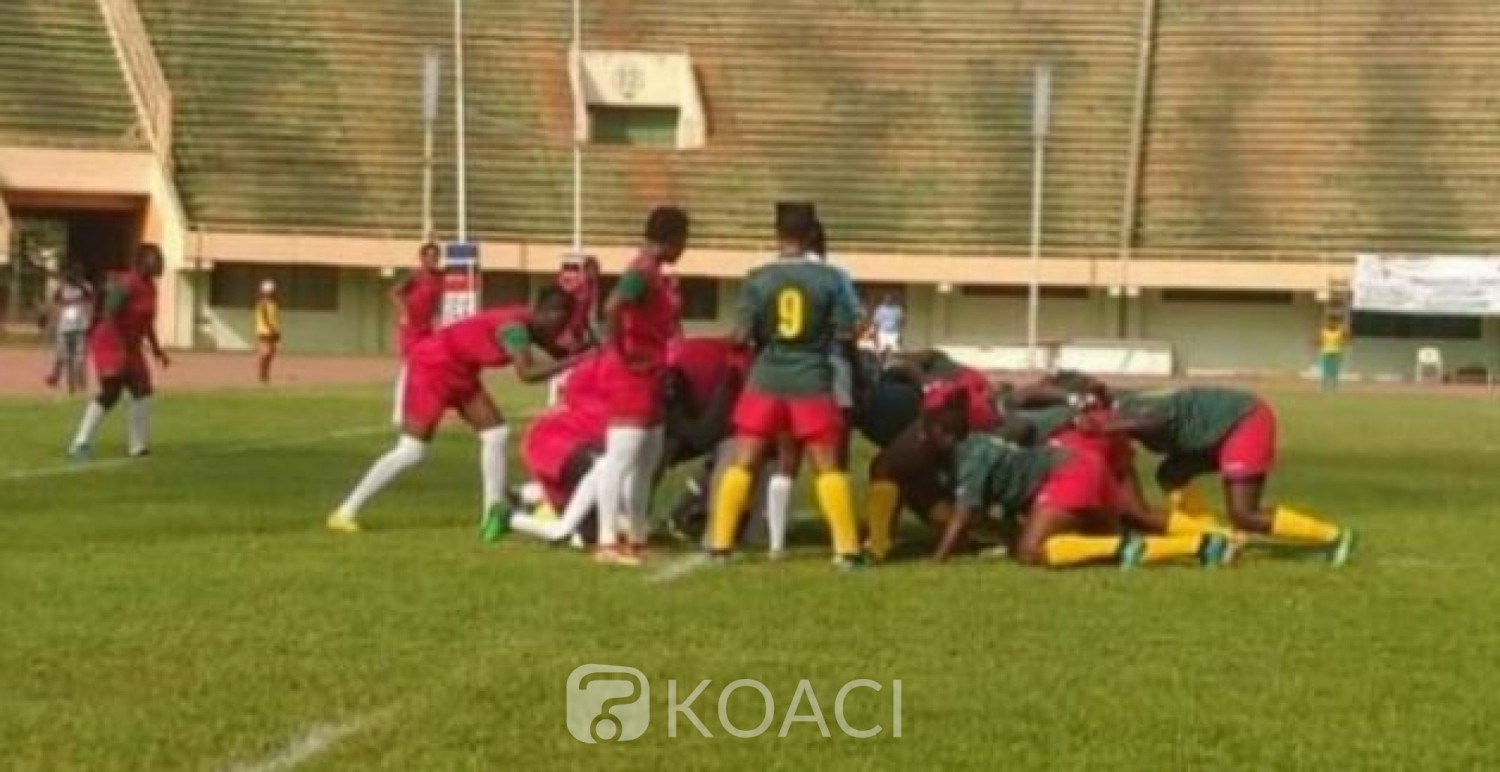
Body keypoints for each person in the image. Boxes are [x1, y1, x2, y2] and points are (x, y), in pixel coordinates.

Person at [328, 287, 584, 533]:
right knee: (411, 450)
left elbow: (556, 351)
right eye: (563, 323)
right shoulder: (514, 329)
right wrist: (575, 359)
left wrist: (587, 352)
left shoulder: (533, 323)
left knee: (496, 434)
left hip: (461, 373)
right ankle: (346, 511)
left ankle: (492, 515)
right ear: (551, 314)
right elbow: (527, 374)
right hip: (431, 369)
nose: (562, 331)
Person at [707, 205, 864, 568]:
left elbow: (742, 336)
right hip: (811, 378)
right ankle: (847, 550)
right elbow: (847, 330)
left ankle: (720, 545)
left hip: (765, 378)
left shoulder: (757, 278)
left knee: (744, 461)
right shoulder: (829, 279)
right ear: (812, 235)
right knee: (826, 465)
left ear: (778, 235)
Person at [923, 393, 1232, 569]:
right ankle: (1203, 544)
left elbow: (963, 518)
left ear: (946, 436)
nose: (922, 438)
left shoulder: (972, 458)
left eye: (928, 432)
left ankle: (1131, 546)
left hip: (1069, 473)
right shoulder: (979, 444)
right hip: (1088, 467)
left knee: (1031, 551)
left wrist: (937, 562)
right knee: (1118, 532)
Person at [1100, 386, 1355, 564]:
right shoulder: (1120, 405)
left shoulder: (1130, 409)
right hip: (1216, 432)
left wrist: (1113, 426)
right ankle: (1217, 536)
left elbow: (1157, 419)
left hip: (1244, 421)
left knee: (1245, 514)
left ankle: (1334, 536)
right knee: (1171, 473)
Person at [592, 206, 689, 566]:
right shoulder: (642, 271)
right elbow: (613, 305)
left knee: (647, 459)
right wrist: (619, 351)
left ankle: (636, 536)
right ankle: (605, 541)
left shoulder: (654, 273)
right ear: (673, 239)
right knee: (619, 459)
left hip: (651, 373)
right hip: (631, 375)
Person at [67, 244, 169, 459]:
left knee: (143, 391)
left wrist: (158, 349)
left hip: (131, 345)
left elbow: (147, 322)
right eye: (156, 258)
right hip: (109, 341)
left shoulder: (151, 287)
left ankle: (137, 446)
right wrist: (119, 348)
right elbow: (109, 316)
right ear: (142, 261)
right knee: (111, 392)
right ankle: (80, 442)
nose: (161, 263)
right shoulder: (125, 284)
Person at [390, 242, 446, 424]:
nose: (432, 260)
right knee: (409, 367)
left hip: (426, 328)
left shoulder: (439, 279)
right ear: (421, 258)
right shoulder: (414, 276)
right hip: (412, 328)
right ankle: (399, 412)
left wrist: (437, 322)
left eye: (435, 256)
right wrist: (405, 312)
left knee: (429, 366)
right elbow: (394, 293)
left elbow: (436, 304)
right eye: (428, 256)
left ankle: (425, 407)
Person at [43, 263, 94, 395]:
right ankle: (55, 376)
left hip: (80, 326)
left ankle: (81, 383)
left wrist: (89, 321)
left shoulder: (86, 287)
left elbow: (90, 303)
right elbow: (55, 304)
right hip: (64, 326)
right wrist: (52, 324)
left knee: (80, 357)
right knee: (61, 354)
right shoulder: (62, 288)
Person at [254, 280, 281, 384]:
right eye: (270, 291)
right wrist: (271, 329)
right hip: (265, 331)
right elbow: (265, 318)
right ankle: (262, 374)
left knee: (271, 353)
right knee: (266, 352)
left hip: (273, 330)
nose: (272, 293)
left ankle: (266, 373)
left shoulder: (273, 304)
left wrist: (278, 330)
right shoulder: (262, 304)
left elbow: (275, 317)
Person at [1317, 316, 1348, 391]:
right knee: (1325, 370)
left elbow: (1345, 340)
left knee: (1335, 370)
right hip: (1326, 352)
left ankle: (1334, 386)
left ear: (1337, 323)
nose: (1332, 323)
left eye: (1334, 322)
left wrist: (1343, 343)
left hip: (1336, 352)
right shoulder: (1324, 332)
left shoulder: (1340, 332)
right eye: (1330, 321)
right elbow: (1320, 341)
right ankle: (1324, 386)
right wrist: (1314, 344)